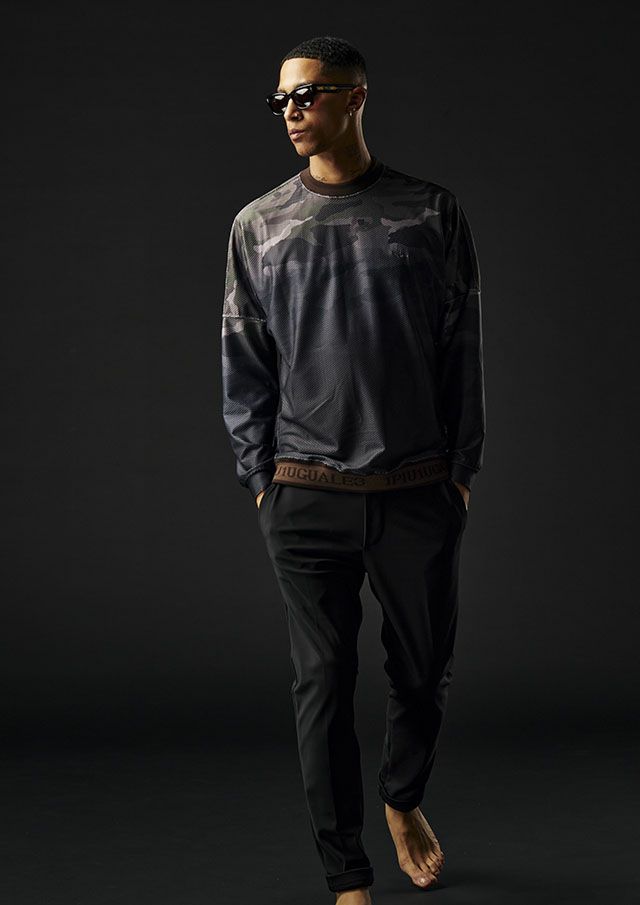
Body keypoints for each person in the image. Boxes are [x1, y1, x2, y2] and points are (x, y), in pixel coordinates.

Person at [221, 34, 485, 905]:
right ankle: (347, 870)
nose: (292, 111)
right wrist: (261, 477)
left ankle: (402, 795)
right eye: (282, 99)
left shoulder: (431, 213)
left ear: (356, 96)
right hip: (304, 492)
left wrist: (459, 471)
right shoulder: (259, 224)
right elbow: (244, 358)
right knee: (323, 683)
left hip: (416, 490)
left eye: (308, 94)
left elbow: (461, 350)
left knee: (422, 672)